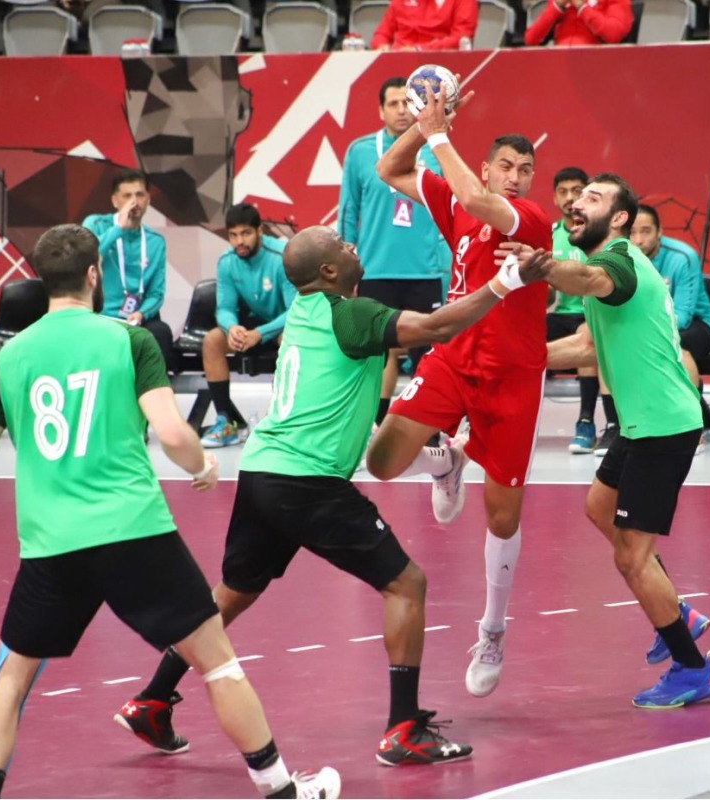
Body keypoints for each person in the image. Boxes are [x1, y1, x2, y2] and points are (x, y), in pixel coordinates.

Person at [115, 225, 551, 765]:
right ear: (326, 272)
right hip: (307, 481)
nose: (352, 246)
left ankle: (153, 699)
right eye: (341, 246)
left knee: (232, 593)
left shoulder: (307, 312)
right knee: (407, 585)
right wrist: (507, 279)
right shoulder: (349, 312)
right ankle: (403, 729)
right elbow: (438, 326)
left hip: (262, 471)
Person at [0, 224, 340, 800]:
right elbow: (173, 432)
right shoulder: (129, 340)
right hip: (135, 532)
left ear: (41, 281)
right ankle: (279, 788)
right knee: (217, 663)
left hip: (52, 544)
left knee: (11, 681)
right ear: (95, 275)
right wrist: (200, 465)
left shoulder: (7, 359)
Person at [500, 173, 710, 708]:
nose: (578, 204)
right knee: (600, 507)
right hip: (641, 422)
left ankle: (693, 669)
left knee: (632, 558)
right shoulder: (610, 273)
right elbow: (584, 343)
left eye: (593, 198)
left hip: (663, 427)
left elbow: (585, 280)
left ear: (619, 218)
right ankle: (681, 614)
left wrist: (543, 267)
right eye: (577, 198)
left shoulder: (619, 264)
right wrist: (510, 363)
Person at [370, 85, 554, 699]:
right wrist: (425, 127)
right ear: (486, 164)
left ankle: (493, 628)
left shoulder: (529, 219)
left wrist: (439, 128)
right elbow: (389, 168)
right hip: (453, 356)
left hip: (512, 378)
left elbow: (477, 196)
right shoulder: (453, 199)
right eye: (507, 165)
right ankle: (447, 459)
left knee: (501, 518)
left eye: (527, 169)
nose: (518, 176)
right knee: (385, 459)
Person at [340, 77, 448, 429]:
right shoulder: (360, 152)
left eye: (407, 102)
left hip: (425, 271)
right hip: (375, 272)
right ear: (381, 110)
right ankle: (370, 422)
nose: (402, 110)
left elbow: (449, 207)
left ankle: (424, 425)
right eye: (393, 104)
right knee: (375, 355)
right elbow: (348, 212)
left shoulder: (436, 149)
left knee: (428, 356)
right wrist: (347, 273)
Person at [201, 203, 296, 448]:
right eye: (233, 235)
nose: (239, 241)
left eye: (245, 234)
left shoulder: (283, 256)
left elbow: (295, 311)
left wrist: (260, 333)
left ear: (260, 231)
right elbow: (224, 308)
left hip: (281, 324)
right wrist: (232, 328)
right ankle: (227, 422)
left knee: (289, 339)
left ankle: (281, 422)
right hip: (250, 324)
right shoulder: (227, 262)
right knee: (213, 340)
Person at [630, 203, 710, 441]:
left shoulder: (684, 257)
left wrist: (646, 331)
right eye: (632, 232)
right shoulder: (624, 257)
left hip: (701, 324)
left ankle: (692, 429)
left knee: (678, 348)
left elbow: (683, 315)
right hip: (651, 327)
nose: (639, 239)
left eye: (646, 231)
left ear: (660, 231)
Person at [82, 169, 179, 375]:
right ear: (115, 201)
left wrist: (141, 313)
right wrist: (119, 229)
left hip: (135, 318)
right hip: (100, 315)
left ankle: (156, 395)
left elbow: (156, 293)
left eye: (140, 195)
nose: (134, 202)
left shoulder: (155, 242)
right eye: (127, 196)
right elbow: (84, 257)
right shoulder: (96, 224)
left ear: (148, 199)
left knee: (161, 332)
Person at [546, 166, 606, 454]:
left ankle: (585, 422)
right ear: (555, 199)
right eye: (562, 192)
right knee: (513, 339)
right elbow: (542, 298)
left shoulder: (600, 236)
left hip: (591, 316)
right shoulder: (547, 236)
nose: (570, 198)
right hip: (557, 317)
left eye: (576, 191)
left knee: (588, 335)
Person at [370, 0, 478, 51]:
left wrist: (419, 50)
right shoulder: (399, 2)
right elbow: (382, 34)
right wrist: (381, 46)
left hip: (439, 62)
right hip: (397, 59)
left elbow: (461, 39)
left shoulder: (465, 2)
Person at [524, 0, 633, 47]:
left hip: (597, 66)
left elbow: (614, 33)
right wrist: (557, 6)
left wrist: (582, 7)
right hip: (559, 63)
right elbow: (531, 40)